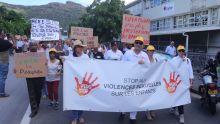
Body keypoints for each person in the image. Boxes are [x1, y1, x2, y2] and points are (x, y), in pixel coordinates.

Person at [121, 36, 150, 124]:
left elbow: (149, 67)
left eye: (140, 43)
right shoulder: (127, 53)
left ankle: (132, 117)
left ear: (143, 46)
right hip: (127, 80)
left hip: (138, 81)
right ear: (134, 43)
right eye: (136, 42)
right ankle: (123, 111)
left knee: (136, 98)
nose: (138, 44)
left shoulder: (145, 55)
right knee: (125, 97)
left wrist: (144, 63)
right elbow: (121, 65)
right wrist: (136, 64)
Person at [61, 39, 88, 124]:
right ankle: (75, 118)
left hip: (83, 82)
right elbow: (64, 59)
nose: (80, 48)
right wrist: (62, 59)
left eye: (81, 47)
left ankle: (80, 116)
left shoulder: (86, 57)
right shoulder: (71, 57)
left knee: (82, 100)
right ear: (75, 48)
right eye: (79, 47)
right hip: (73, 82)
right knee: (74, 100)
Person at [15, 42, 46, 118]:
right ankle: (34, 110)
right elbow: (19, 65)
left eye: (35, 45)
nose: (33, 46)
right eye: (32, 45)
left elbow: (45, 64)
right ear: (29, 46)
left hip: (40, 77)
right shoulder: (25, 55)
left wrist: (45, 63)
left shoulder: (41, 54)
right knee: (31, 93)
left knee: (38, 92)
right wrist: (16, 69)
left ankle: (37, 104)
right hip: (30, 78)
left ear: (37, 46)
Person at [170, 45, 193, 124]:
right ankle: (174, 109)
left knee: (181, 99)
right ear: (177, 51)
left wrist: (191, 81)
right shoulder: (174, 59)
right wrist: (181, 61)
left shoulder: (187, 60)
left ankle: (181, 115)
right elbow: (172, 69)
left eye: (183, 50)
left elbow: (190, 70)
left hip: (185, 83)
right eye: (180, 51)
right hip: (176, 83)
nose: (181, 52)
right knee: (176, 97)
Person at [145, 45, 157, 121]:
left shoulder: (155, 59)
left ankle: (152, 110)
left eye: (152, 50)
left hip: (154, 80)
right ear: (147, 51)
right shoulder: (144, 59)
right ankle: (147, 112)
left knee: (153, 96)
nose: (151, 52)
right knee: (146, 96)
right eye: (150, 50)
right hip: (146, 81)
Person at [0, 29, 13, 97]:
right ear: (1, 34)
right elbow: (14, 47)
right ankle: (1, 93)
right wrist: (13, 38)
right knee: (2, 77)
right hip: (3, 61)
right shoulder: (5, 42)